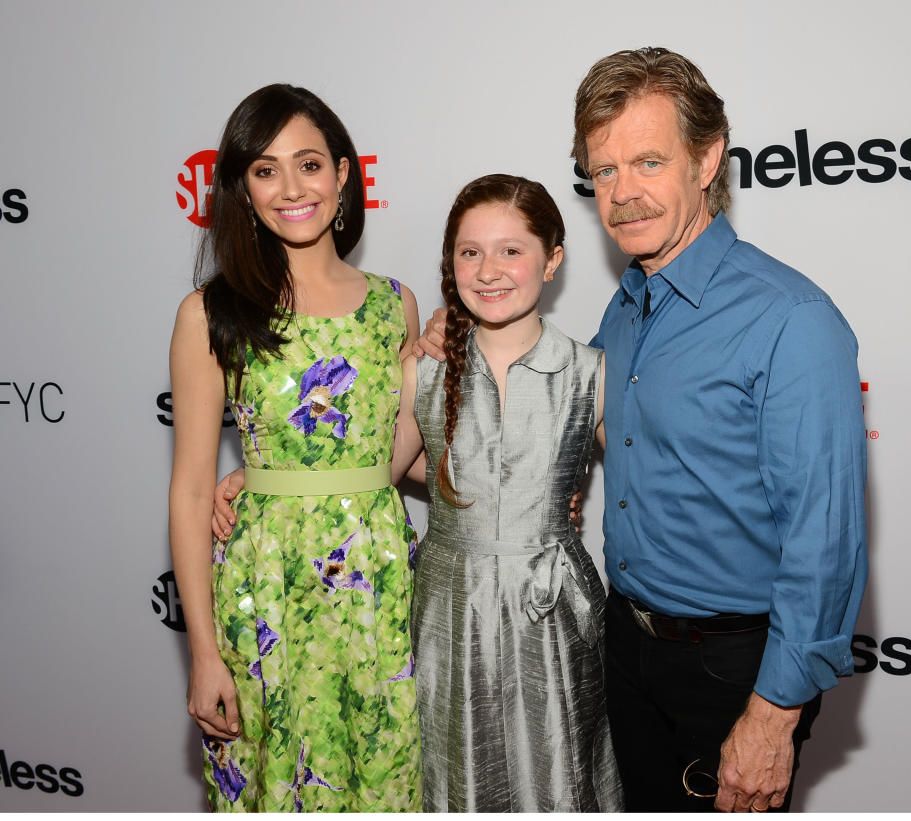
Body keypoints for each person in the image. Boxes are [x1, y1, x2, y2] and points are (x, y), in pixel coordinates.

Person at [418, 48, 868, 813]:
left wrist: (773, 715)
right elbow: (566, 445)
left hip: (735, 670)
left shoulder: (791, 320)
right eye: (604, 171)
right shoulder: (625, 313)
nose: (622, 194)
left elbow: (823, 542)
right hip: (620, 650)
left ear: (707, 158)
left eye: (648, 161)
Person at [215, 174, 622, 811]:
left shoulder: (591, 373)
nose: (489, 270)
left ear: (554, 260)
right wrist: (268, 476)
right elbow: (375, 467)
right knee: (447, 774)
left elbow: (656, 482)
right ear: (449, 263)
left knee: (559, 775)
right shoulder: (423, 369)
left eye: (512, 250)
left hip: (551, 610)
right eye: (469, 252)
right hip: (445, 611)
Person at [168, 83, 422, 812]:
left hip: (377, 591)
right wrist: (204, 653)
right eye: (265, 169)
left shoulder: (393, 304)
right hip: (266, 598)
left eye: (309, 164)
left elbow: (395, 450)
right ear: (242, 189)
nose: (290, 188)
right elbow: (189, 490)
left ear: (344, 174)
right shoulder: (210, 314)